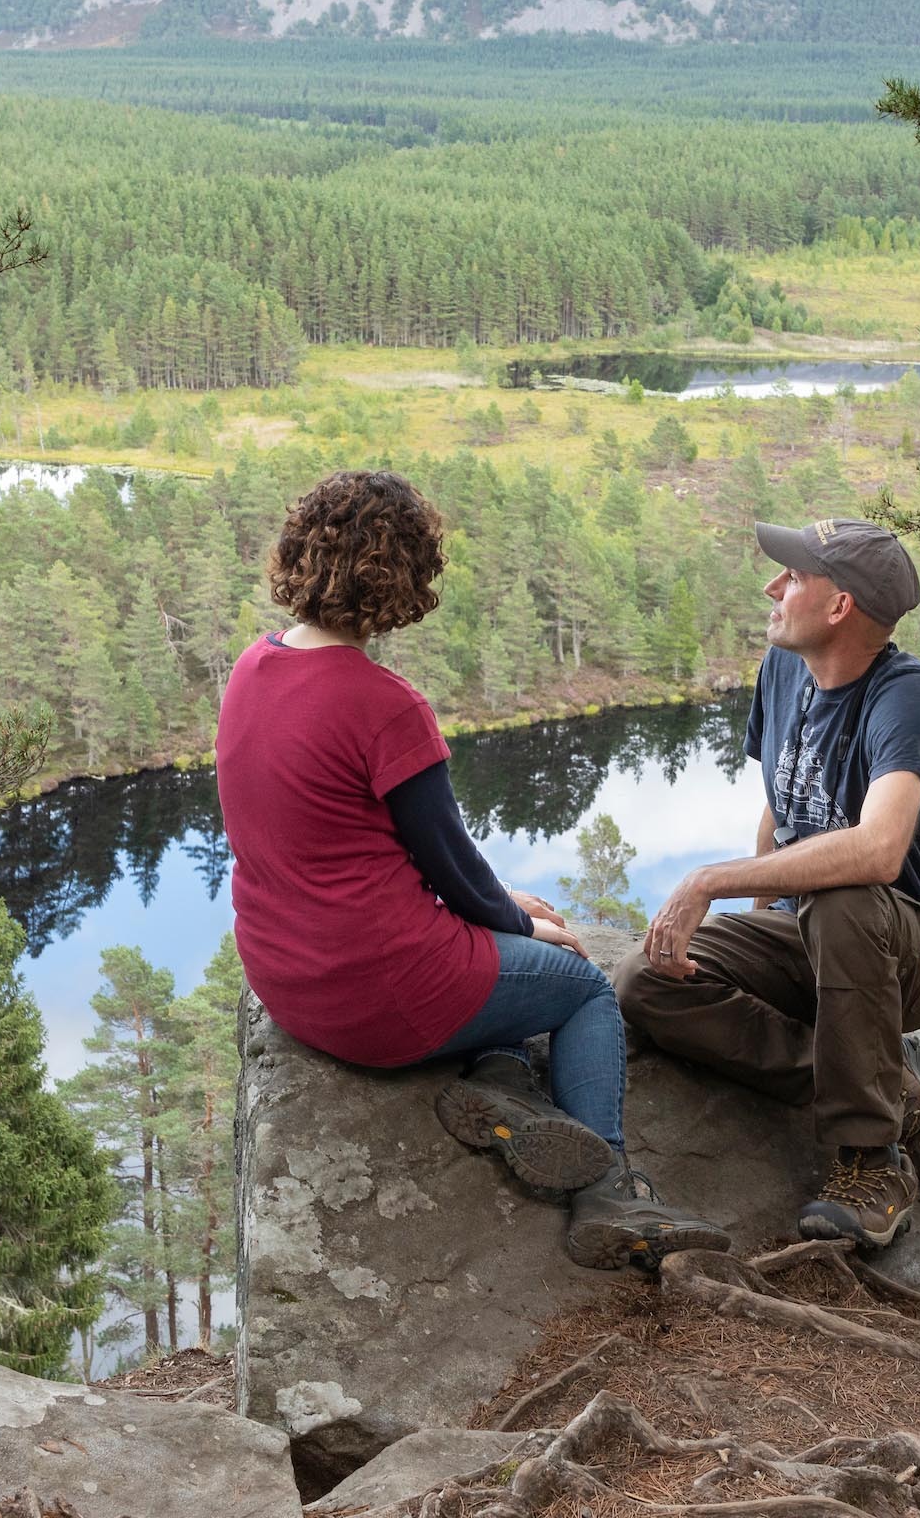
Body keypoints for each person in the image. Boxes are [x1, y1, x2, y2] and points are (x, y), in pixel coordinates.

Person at [215, 469, 727, 1271]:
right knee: (581, 986)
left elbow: (372, 852)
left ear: (302, 551)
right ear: (403, 575)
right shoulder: (384, 705)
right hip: (382, 997)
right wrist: (520, 921)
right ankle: (611, 1193)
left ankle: (503, 1083)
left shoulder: (253, 668)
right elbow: (452, 867)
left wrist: (499, 907)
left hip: (289, 984)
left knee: (505, 953)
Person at [611, 517, 920, 1249]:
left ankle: (872, 1161)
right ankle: (897, 1093)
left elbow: (878, 851)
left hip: (899, 955)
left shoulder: (905, 695)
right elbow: (779, 810)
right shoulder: (783, 670)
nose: (771, 587)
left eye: (794, 576)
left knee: (842, 894)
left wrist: (708, 882)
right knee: (645, 980)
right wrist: (755, 925)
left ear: (840, 606)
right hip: (807, 938)